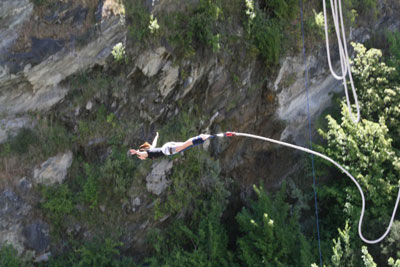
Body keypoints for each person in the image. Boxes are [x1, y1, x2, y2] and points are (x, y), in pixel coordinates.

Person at [129, 132, 211, 160]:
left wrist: (136, 152)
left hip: (167, 150)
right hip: (166, 146)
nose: (141, 158)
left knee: (185, 145)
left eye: (140, 157)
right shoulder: (150, 150)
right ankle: (200, 138)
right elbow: (154, 143)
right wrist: (157, 136)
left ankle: (200, 138)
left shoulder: (147, 154)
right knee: (185, 145)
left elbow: (141, 154)